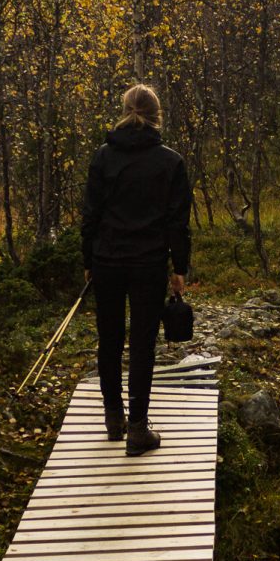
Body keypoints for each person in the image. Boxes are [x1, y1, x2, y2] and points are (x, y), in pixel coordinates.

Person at [80, 83, 191, 455]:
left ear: (125, 110)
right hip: (148, 264)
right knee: (142, 345)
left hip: (107, 261)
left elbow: (90, 215)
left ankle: (114, 418)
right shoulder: (170, 162)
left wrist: (87, 261)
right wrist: (180, 267)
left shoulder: (102, 158)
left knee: (108, 339)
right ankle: (138, 430)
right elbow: (178, 222)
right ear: (157, 116)